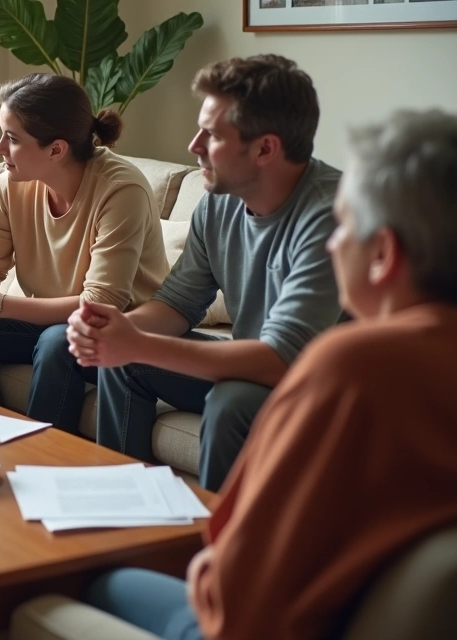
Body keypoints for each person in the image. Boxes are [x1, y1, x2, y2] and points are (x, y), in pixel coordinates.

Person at [80, 109, 457, 639]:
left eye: (345, 226)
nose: (332, 244)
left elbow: (238, 604)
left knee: (99, 582)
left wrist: (205, 569)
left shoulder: (349, 367)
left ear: (383, 253)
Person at [66, 55, 344, 491]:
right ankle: (125, 505)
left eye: (211, 135)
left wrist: (137, 342)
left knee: (231, 402)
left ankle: (220, 531)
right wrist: (115, 330)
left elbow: (282, 359)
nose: (193, 145)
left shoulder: (332, 216)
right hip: (258, 365)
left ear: (265, 148)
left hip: (320, 386)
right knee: (125, 360)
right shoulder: (220, 201)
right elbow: (177, 304)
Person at [0, 73, 168, 430]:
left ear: (56, 150)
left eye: (12, 138)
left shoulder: (121, 190)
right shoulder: (8, 186)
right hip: (51, 324)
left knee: (57, 340)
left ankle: (39, 454)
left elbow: (101, 304)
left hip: (118, 334)